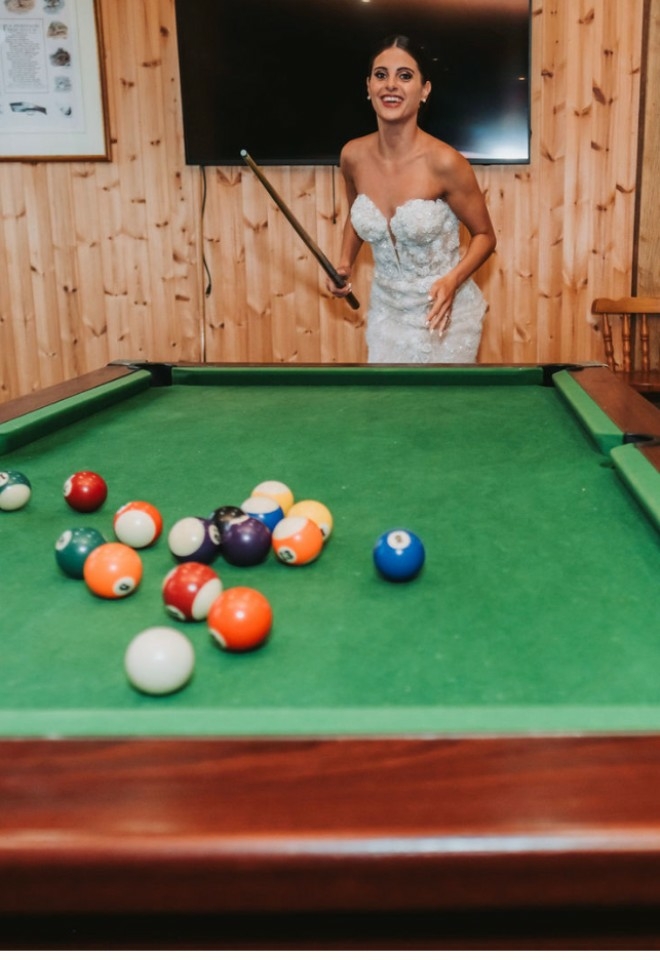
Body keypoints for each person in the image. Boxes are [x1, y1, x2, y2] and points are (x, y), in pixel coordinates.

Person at [327, 35, 496, 363]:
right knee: (388, 410)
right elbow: (357, 215)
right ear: (368, 86)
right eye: (381, 75)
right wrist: (344, 264)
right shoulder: (352, 156)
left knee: (443, 412)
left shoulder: (446, 163)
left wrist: (452, 281)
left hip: (444, 318)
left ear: (424, 90)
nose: (391, 85)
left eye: (404, 76)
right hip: (386, 317)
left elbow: (486, 237)